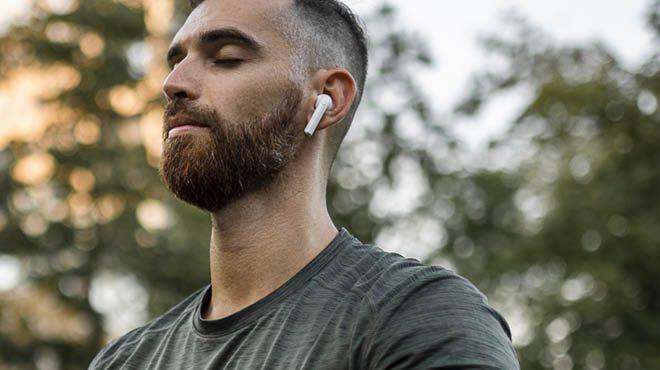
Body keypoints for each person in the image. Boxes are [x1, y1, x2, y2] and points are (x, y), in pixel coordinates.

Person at [89, 0, 520, 368]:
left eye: (226, 58)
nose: (173, 84)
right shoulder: (126, 359)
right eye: (176, 61)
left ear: (326, 98)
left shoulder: (416, 317)